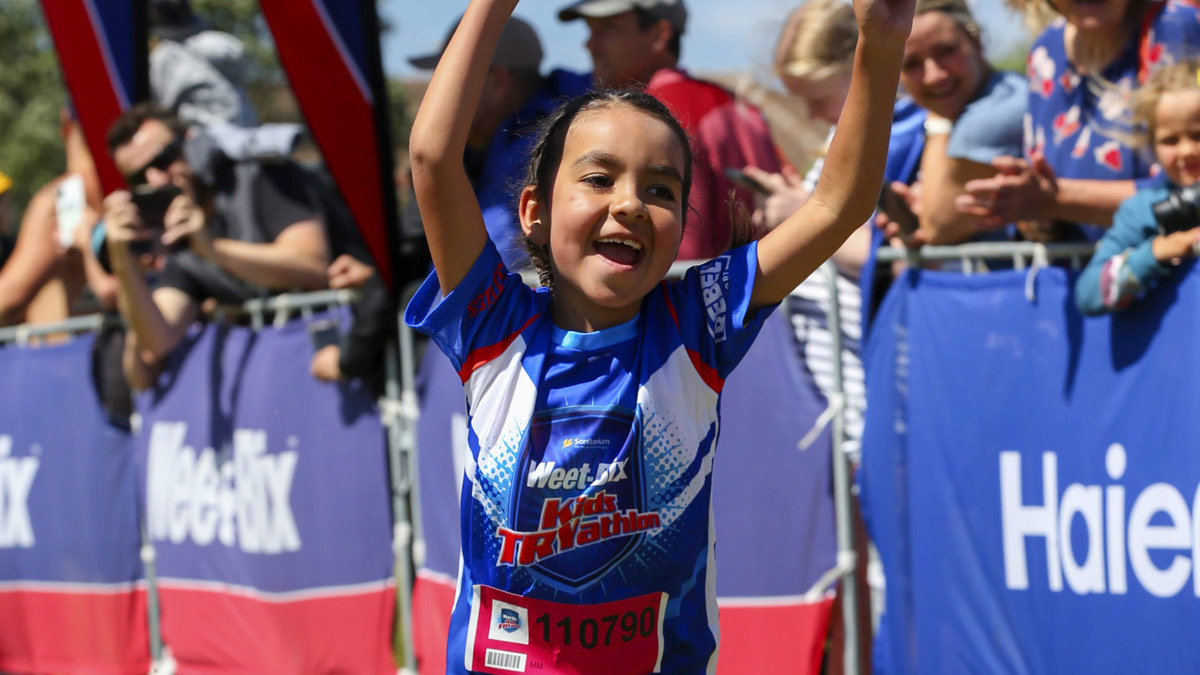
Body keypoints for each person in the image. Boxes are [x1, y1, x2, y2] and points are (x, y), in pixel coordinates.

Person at [404, 0, 912, 671]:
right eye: (598, 177)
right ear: (533, 210)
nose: (628, 203)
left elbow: (837, 203)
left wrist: (880, 42)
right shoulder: (494, 324)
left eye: (662, 189)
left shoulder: (696, 321)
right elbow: (433, 156)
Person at [102, 103, 328, 390]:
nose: (155, 180)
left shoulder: (258, 175)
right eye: (137, 177)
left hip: (341, 373)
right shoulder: (175, 239)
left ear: (191, 143)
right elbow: (155, 342)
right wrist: (123, 261)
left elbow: (314, 265)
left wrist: (213, 249)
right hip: (277, 393)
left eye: (163, 160)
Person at [558, 0, 785, 260]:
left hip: (691, 294)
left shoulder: (659, 114)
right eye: (590, 31)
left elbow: (679, 249)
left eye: (608, 30)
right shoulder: (737, 104)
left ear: (659, 35)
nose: (590, 44)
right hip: (753, 291)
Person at [958, 0, 1200, 240]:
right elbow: (1042, 215)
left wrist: (1056, 199)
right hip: (1079, 273)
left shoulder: (1176, 27)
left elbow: (1188, 192)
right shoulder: (1046, 50)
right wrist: (1032, 212)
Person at [407, 16, 589, 270]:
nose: (437, 95)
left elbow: (475, 266)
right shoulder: (504, 130)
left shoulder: (545, 139)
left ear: (499, 81)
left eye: (450, 80)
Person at [1076, 59, 1200, 314]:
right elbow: (1087, 294)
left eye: (1198, 135)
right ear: (1152, 145)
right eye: (1170, 140)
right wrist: (1153, 255)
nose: (1187, 151)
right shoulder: (1143, 210)